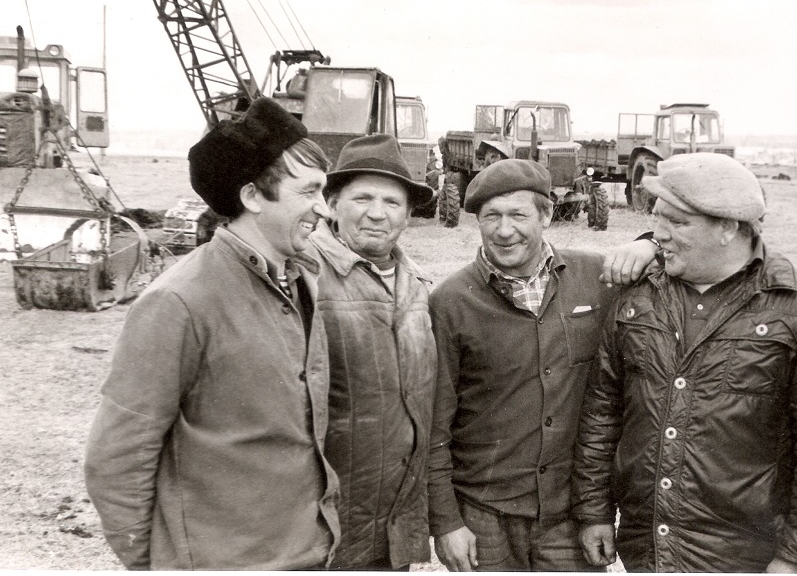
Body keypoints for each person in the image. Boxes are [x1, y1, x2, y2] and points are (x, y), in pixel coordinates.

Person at [84, 97, 339, 569]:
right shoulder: (179, 301)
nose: (324, 209)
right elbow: (116, 457)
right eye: (309, 191)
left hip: (304, 552)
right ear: (252, 196)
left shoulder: (300, 280)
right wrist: (151, 562)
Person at [573, 152, 797, 572]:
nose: (659, 235)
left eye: (677, 222)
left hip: (747, 556)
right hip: (646, 548)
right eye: (657, 218)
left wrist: (794, 556)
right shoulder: (637, 298)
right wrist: (594, 511)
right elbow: (602, 411)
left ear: (728, 228)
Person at [428, 159, 615, 571]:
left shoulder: (596, 277)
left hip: (570, 517)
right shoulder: (450, 300)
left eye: (518, 215)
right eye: (491, 216)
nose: (504, 230)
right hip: (483, 515)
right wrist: (445, 521)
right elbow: (434, 422)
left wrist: (649, 244)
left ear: (546, 215)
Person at [309, 133, 437, 570]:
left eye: (392, 202)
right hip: (323, 528)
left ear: (408, 215)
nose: (377, 213)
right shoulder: (303, 274)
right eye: (362, 198)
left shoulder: (417, 285)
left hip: (392, 526)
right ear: (331, 205)